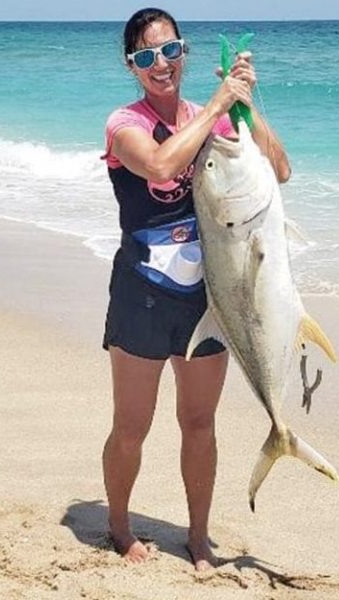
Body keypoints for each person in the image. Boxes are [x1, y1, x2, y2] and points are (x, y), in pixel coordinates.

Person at [101, 7, 291, 571]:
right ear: (132, 67)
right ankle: (117, 523)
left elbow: (277, 171)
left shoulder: (220, 115)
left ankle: (200, 536)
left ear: (183, 52)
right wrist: (214, 108)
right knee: (132, 425)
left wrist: (247, 109)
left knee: (200, 422)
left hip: (208, 297)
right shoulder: (123, 123)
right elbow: (160, 167)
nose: (160, 64)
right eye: (145, 56)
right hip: (142, 291)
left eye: (169, 50)